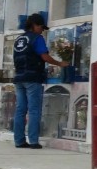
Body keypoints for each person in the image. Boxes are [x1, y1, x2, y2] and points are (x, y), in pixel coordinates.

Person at [12, 13, 69, 149]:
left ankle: (19, 141)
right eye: (41, 27)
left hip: (19, 78)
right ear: (35, 25)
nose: (42, 30)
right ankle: (33, 141)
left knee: (20, 110)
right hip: (32, 78)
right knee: (34, 110)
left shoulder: (19, 39)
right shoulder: (37, 38)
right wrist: (59, 64)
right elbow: (44, 56)